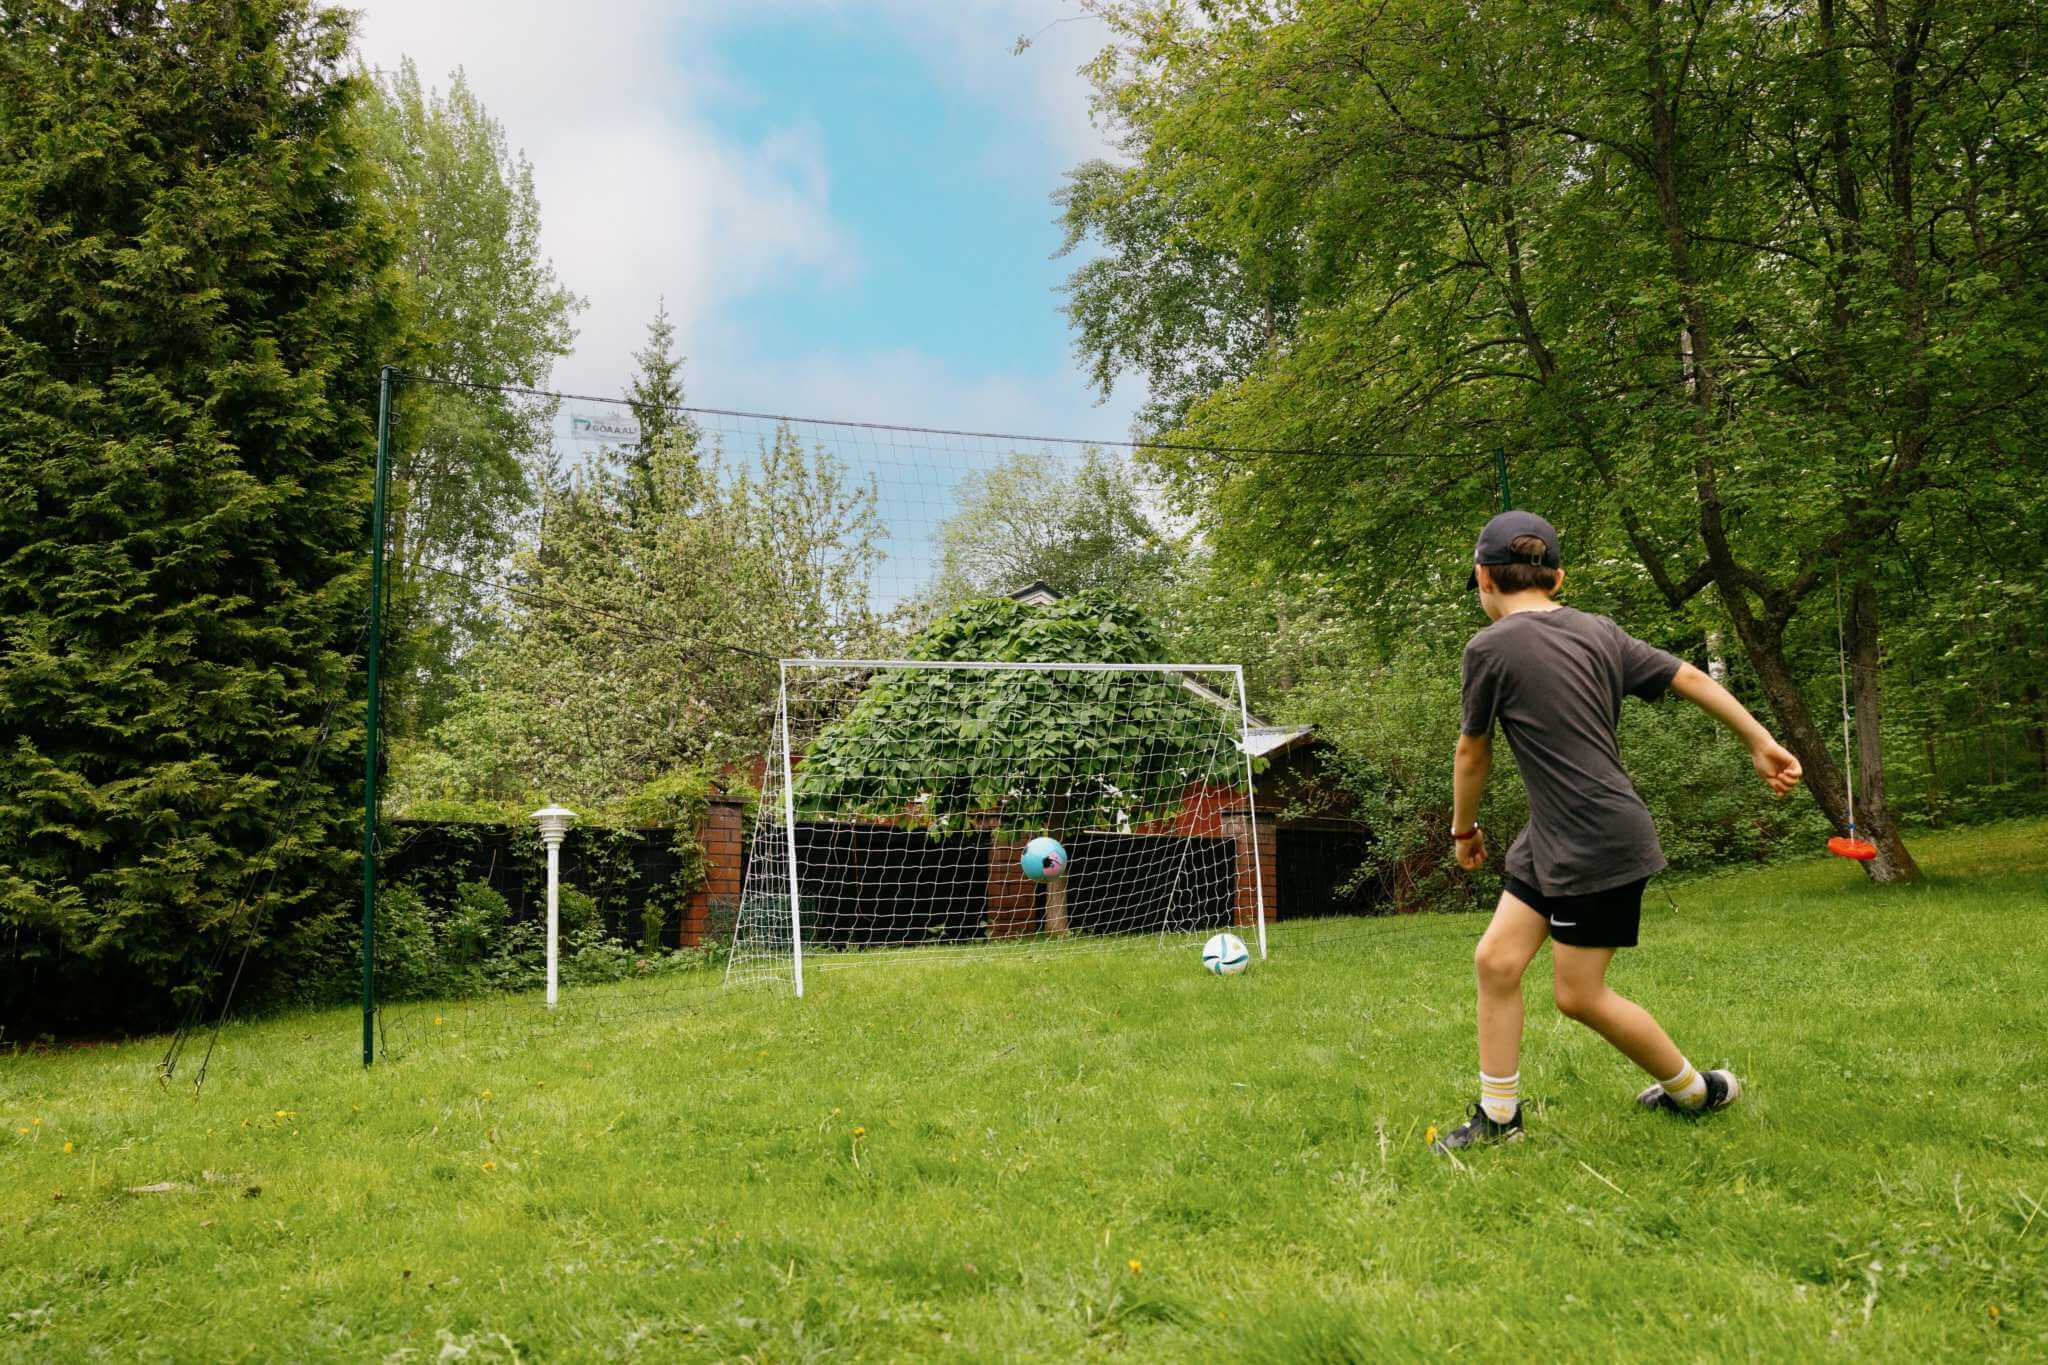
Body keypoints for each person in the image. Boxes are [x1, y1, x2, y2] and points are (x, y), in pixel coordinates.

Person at [1432, 511, 1803, 1153]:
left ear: (1484, 576)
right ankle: (1500, 1120)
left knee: (1579, 995)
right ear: (1558, 577)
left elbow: (1472, 753)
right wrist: (1760, 741)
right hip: (1558, 834)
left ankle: (1697, 1091)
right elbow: (1687, 675)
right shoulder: (1598, 630)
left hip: (1594, 839)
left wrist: (1463, 829)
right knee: (1496, 960)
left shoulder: (1488, 647)